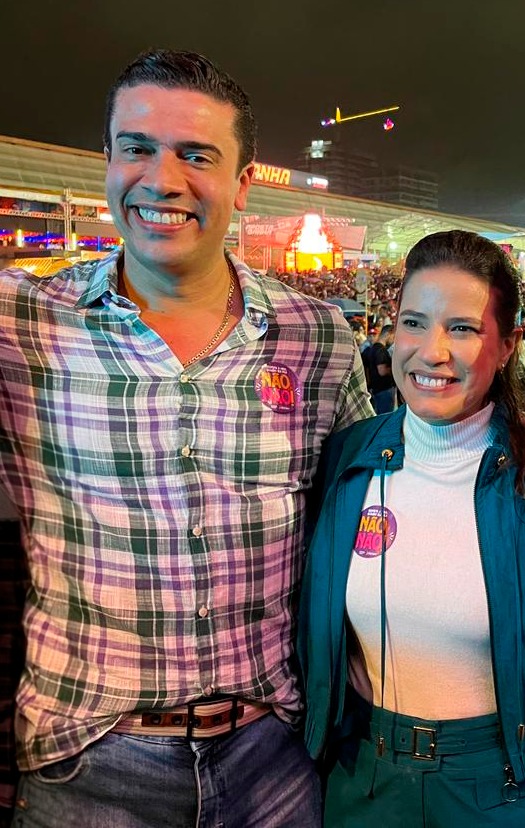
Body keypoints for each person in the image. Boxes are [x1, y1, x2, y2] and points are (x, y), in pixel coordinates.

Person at [0, 50, 375, 826]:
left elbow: (379, 500)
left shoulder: (317, 336)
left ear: (243, 182)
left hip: (274, 758)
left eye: (195, 155)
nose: (162, 180)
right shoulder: (21, 324)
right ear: (107, 160)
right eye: (137, 148)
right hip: (89, 764)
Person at [299, 230, 525, 827]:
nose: (433, 351)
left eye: (463, 328)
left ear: (508, 346)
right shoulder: (346, 460)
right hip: (365, 780)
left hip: (512, 788)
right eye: (414, 323)